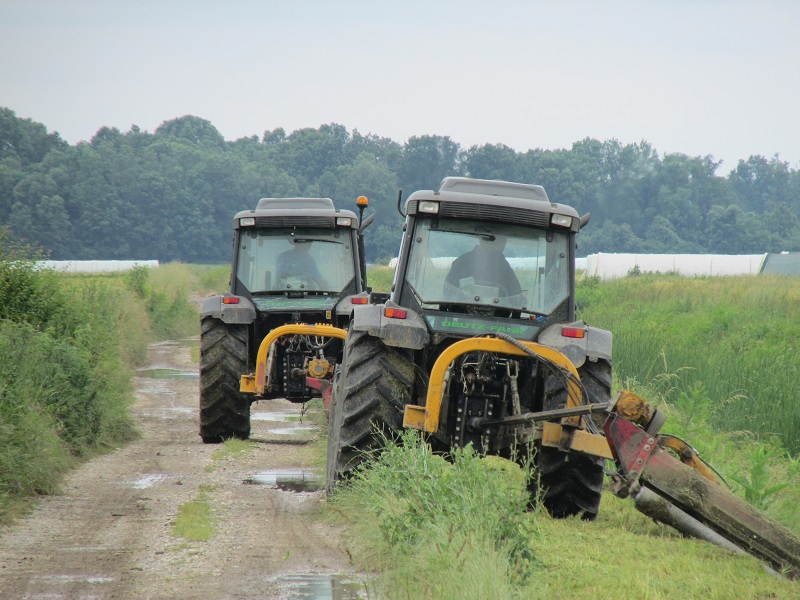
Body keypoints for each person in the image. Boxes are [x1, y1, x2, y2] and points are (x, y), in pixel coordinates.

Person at [445, 235, 522, 298]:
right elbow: (517, 300)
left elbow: (447, 292)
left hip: (461, 312)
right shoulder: (505, 268)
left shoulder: (461, 261)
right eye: (500, 240)